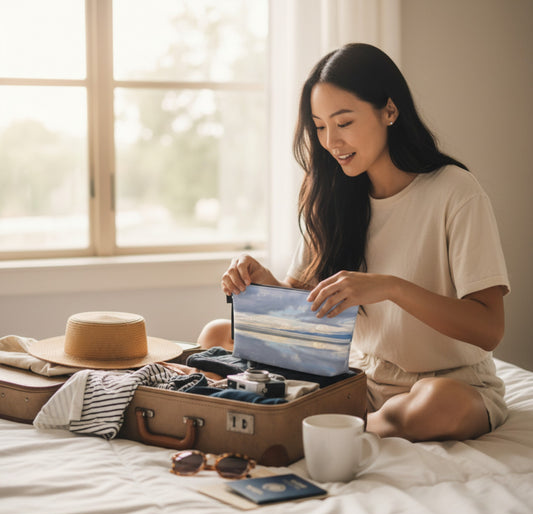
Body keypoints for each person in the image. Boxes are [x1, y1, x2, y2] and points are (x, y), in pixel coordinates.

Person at [197, 43, 510, 442]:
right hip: (356, 376)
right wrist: (263, 283)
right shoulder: (332, 195)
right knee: (215, 336)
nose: (331, 141)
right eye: (320, 126)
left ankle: (310, 423)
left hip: (451, 382)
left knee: (435, 405)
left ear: (390, 111)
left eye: (344, 123)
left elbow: (489, 328)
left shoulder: (456, 192)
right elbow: (307, 311)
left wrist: (391, 288)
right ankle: (325, 420)